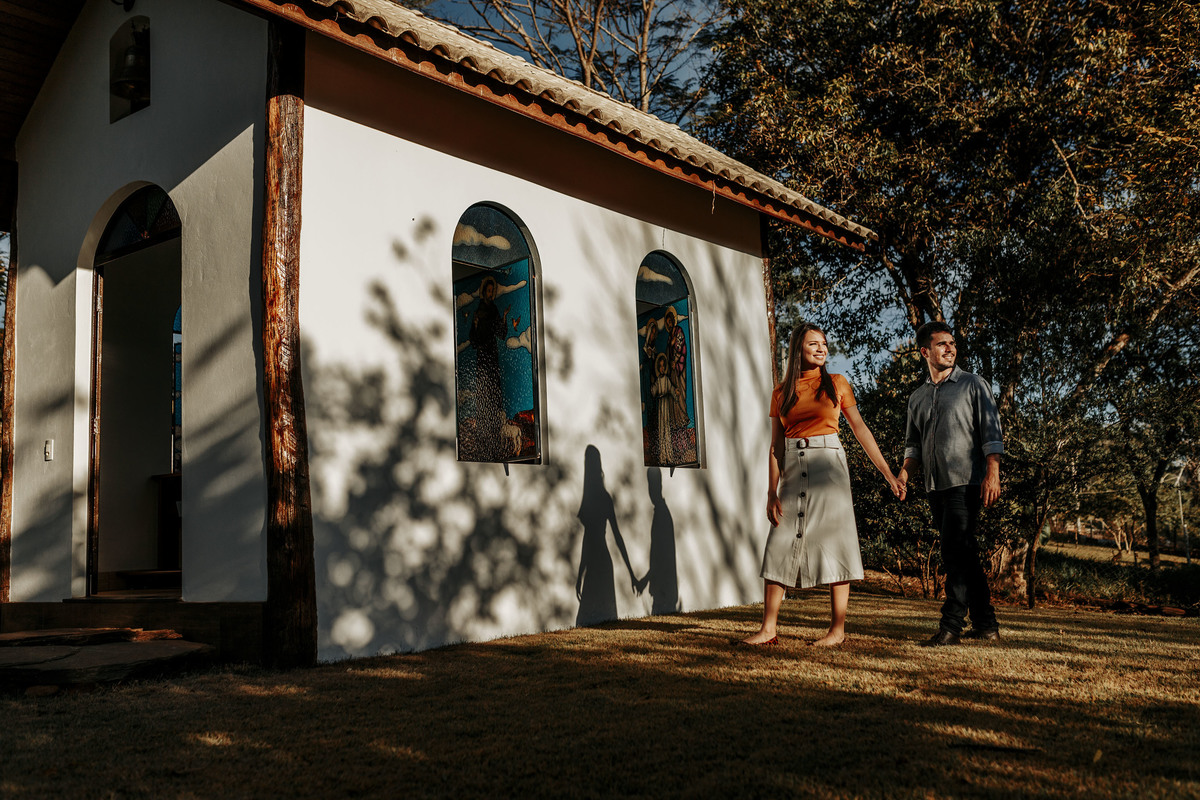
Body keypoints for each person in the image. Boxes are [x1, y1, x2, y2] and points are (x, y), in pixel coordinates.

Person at [741, 323, 903, 647]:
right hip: (792, 466)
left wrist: (888, 473)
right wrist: (771, 492)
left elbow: (860, 429)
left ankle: (837, 630)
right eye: (813, 343)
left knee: (837, 541)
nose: (821, 348)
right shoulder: (781, 391)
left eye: (824, 344)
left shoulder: (837, 384)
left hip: (829, 467)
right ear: (798, 348)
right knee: (779, 541)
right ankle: (768, 629)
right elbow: (775, 447)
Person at [897, 321, 1004, 646]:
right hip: (934, 486)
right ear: (925, 352)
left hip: (966, 482)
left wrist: (993, 472)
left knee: (954, 552)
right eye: (942, 344)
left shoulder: (973, 384)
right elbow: (913, 446)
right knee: (965, 553)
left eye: (953, 344)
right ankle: (986, 625)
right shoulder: (917, 397)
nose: (950, 349)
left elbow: (991, 432)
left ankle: (951, 626)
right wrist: (904, 475)